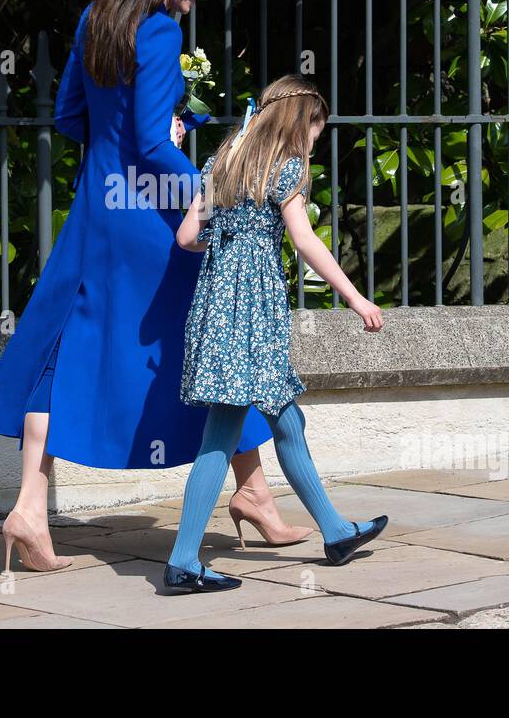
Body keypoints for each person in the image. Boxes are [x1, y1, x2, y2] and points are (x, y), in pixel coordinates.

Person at [0, 0, 310, 574]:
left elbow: (72, 118)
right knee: (219, 344)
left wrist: (138, 138)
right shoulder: (156, 34)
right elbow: (155, 145)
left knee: (61, 351)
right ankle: (253, 492)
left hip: (98, 210)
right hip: (154, 219)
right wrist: (212, 191)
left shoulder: (97, 16)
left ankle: (30, 511)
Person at [162, 74, 389, 594]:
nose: (316, 140)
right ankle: (182, 561)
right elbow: (305, 240)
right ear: (301, 121)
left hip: (219, 306)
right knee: (223, 433)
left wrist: (230, 241)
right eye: (317, 129)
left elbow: (186, 238)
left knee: (286, 419)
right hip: (253, 314)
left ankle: (334, 532)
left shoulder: (224, 165)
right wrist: (355, 298)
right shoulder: (287, 168)